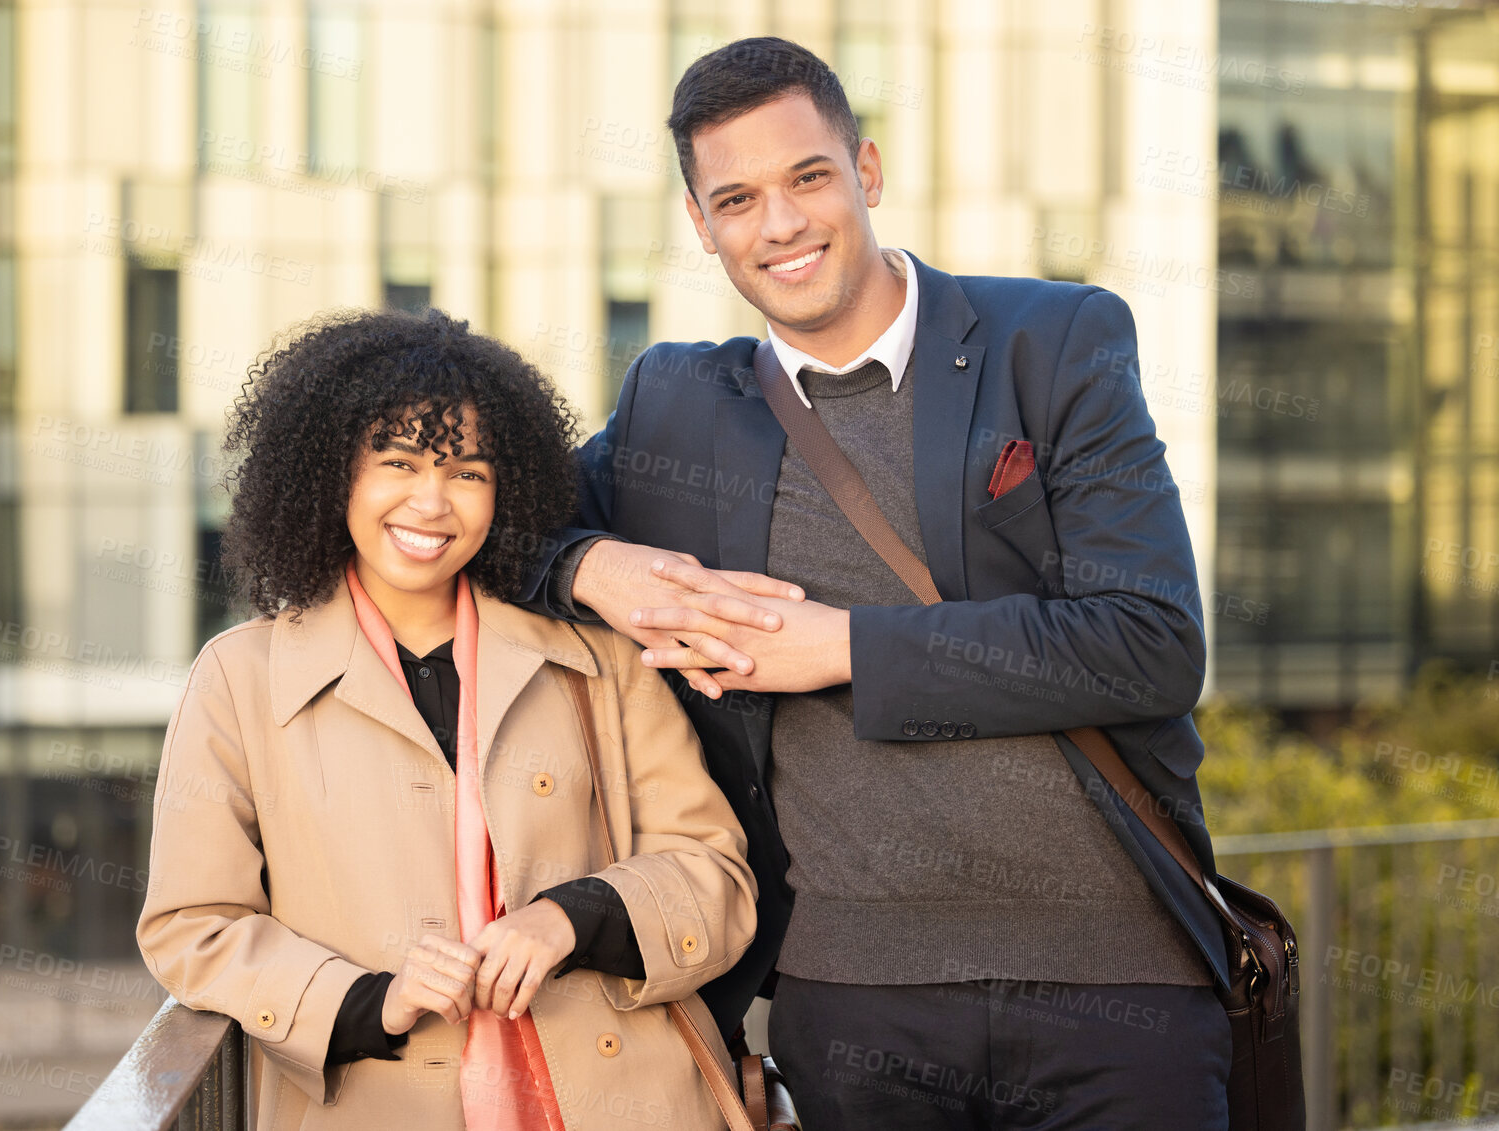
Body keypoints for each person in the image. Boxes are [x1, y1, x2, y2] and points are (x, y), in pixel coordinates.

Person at [519, 36, 1233, 1130]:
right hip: (853, 1000)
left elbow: (1150, 642)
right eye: (738, 199)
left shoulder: (1050, 343)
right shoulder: (676, 404)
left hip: (1117, 988)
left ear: (868, 170)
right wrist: (590, 563)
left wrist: (845, 649)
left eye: (808, 177)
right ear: (702, 228)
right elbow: (476, 526)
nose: (783, 224)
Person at [137, 307, 758, 1130]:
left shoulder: (597, 656)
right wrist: (369, 1000)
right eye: (397, 463)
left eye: (467, 472)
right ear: (332, 475)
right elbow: (193, 925)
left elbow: (716, 877)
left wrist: (572, 916)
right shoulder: (239, 678)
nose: (432, 502)